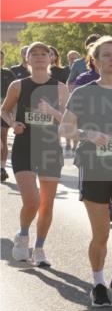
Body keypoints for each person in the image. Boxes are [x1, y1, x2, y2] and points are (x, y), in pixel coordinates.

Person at [59, 37, 112, 307]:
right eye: (106, 55)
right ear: (94, 61)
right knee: (101, 234)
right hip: (94, 166)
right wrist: (88, 133)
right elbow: (64, 129)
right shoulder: (83, 93)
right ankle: (97, 281)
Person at [1, 41, 68, 267]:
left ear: (51, 58)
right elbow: (4, 109)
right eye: (34, 53)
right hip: (24, 147)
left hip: (50, 148)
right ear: (27, 59)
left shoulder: (60, 88)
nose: (39, 56)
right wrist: (13, 123)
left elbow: (69, 120)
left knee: (47, 205)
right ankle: (22, 236)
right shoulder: (18, 85)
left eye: (44, 53)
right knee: (32, 201)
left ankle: (39, 248)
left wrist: (51, 111)